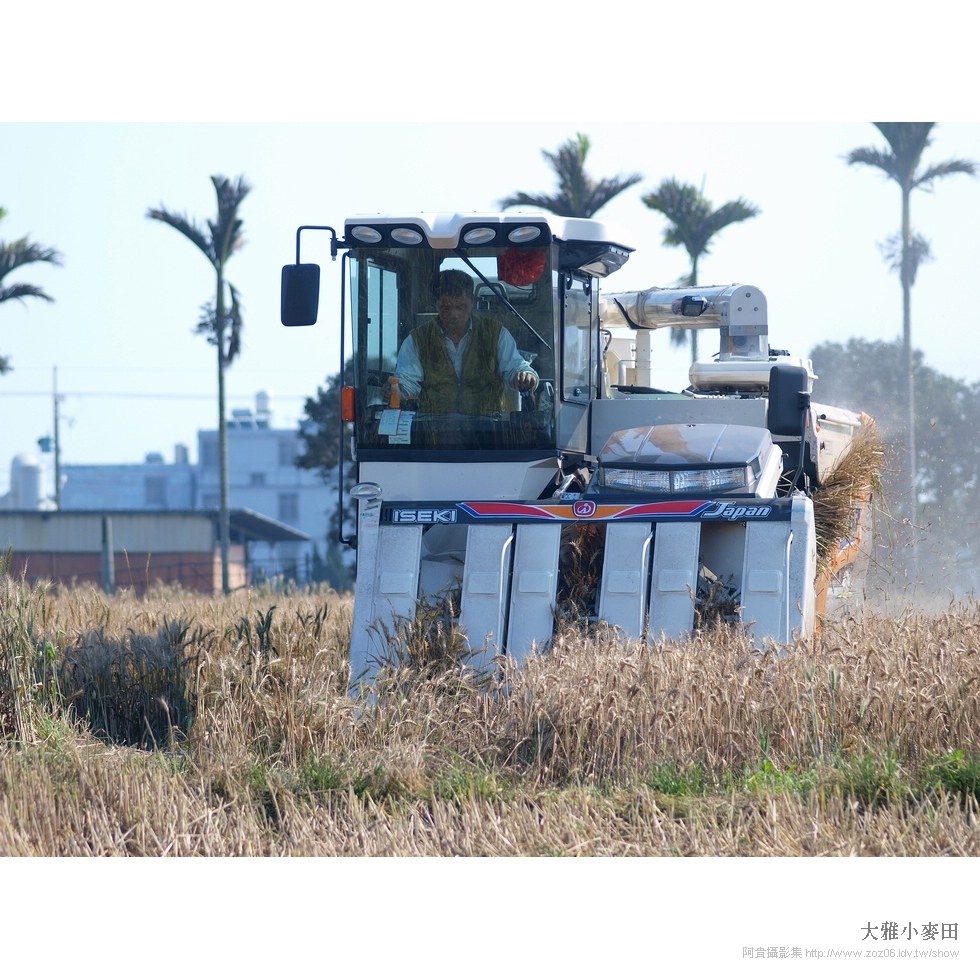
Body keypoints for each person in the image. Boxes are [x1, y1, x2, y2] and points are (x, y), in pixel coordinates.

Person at [393, 269, 538, 415]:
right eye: (446, 308)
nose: (454, 315)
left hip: (488, 431)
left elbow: (515, 367)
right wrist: (398, 390)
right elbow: (407, 381)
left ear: (473, 302)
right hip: (434, 431)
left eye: (461, 307)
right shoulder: (418, 339)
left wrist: (525, 375)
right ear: (436, 305)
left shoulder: (495, 334)